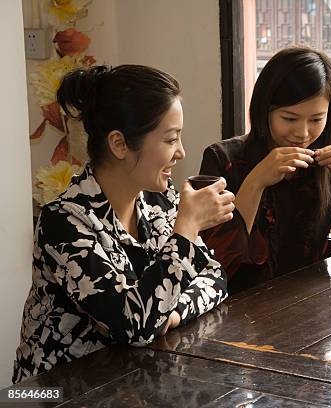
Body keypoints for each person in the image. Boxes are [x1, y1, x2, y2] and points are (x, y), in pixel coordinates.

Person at [13, 65, 235, 383]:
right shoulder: (64, 223)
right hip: (49, 394)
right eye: (171, 139)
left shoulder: (160, 201)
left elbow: (215, 278)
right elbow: (134, 326)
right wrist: (186, 229)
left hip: (127, 384)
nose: (181, 152)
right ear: (119, 144)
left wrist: (172, 313)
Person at [199, 46, 331, 293]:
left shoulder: (325, 166)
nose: (303, 133)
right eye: (289, 118)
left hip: (308, 313)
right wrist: (256, 182)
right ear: (265, 109)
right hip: (233, 315)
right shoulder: (223, 159)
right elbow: (213, 265)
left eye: (316, 119)